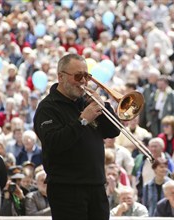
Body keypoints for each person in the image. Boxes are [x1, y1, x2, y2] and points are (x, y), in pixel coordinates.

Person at [33, 53, 120, 220]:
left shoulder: (85, 101)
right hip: (66, 189)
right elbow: (54, 143)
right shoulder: (47, 108)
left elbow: (113, 131)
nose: (83, 82)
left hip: (95, 186)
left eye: (86, 76)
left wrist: (103, 106)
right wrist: (82, 120)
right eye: (78, 76)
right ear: (61, 77)